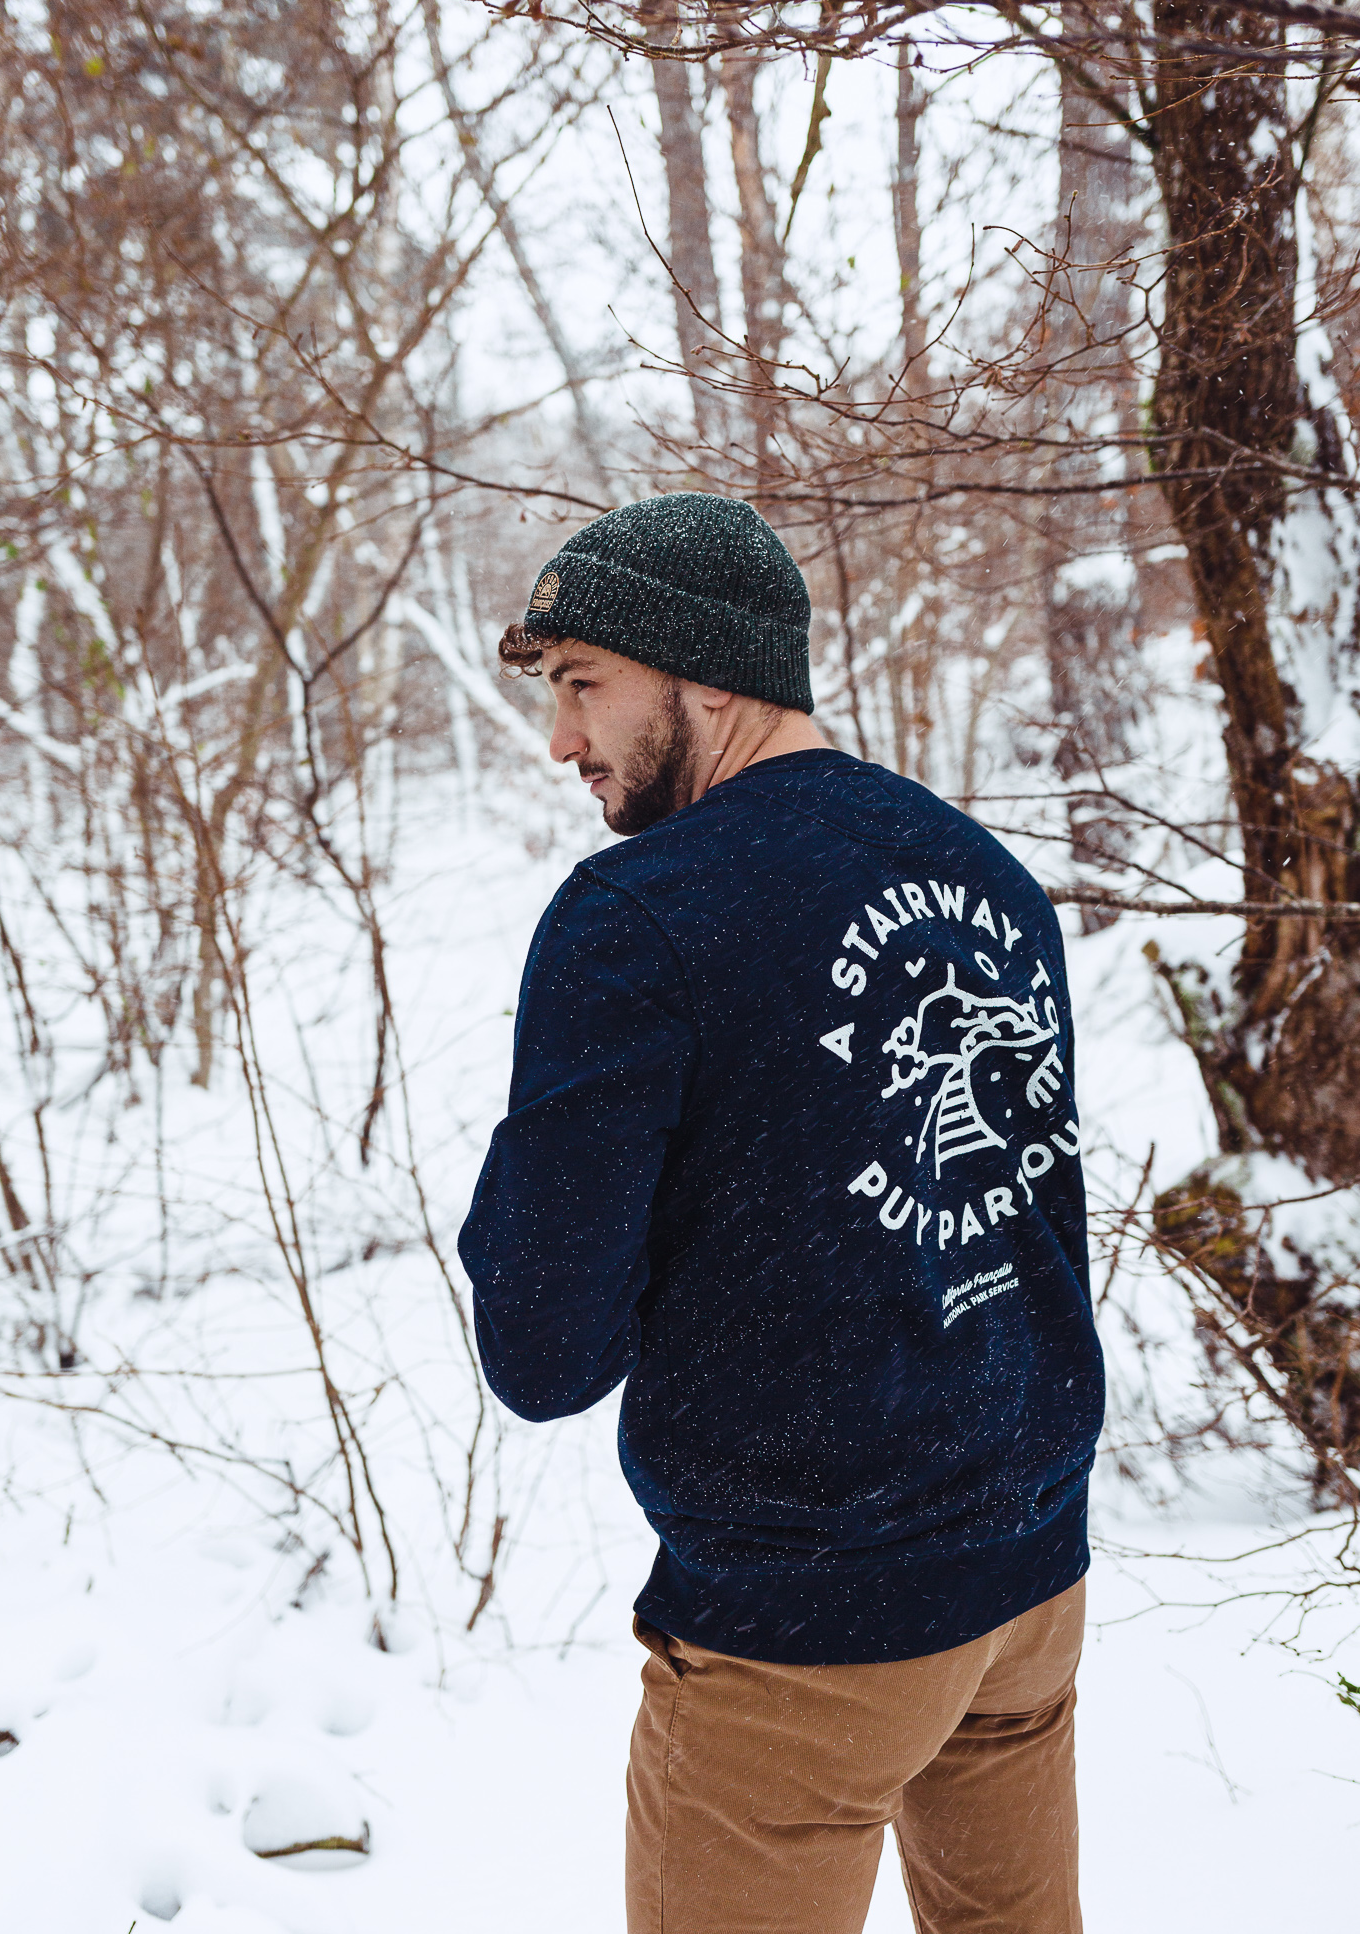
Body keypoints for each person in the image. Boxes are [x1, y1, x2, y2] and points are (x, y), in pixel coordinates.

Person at [457, 492, 1105, 1934]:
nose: (560, 738)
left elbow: (543, 1351)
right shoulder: (981, 869)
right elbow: (1024, 1211)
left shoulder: (639, 917)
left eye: (583, 684)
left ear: (703, 673)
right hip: (1027, 1584)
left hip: (801, 1634)